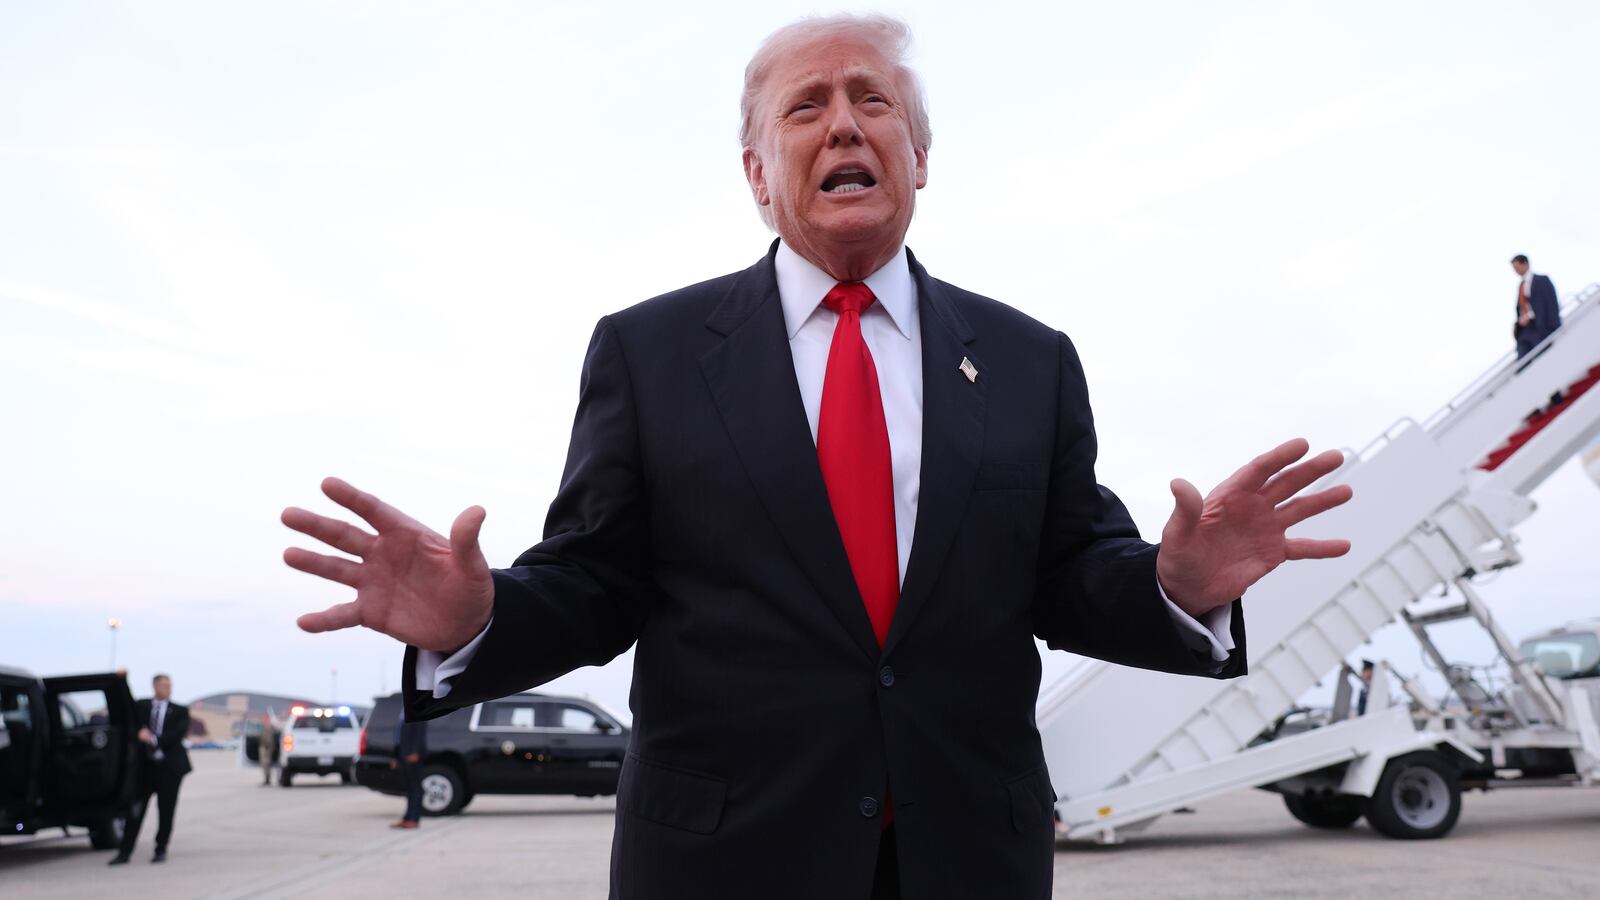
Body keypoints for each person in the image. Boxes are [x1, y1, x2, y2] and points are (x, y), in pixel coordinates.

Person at [281, 15, 1353, 898]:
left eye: (872, 100)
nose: (844, 123)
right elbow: (597, 581)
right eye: (807, 106)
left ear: (919, 157)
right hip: (721, 860)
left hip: (969, 858)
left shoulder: (1028, 359)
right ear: (757, 170)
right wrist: (479, 621)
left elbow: (1069, 571)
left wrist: (1175, 588)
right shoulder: (649, 354)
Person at [110, 673, 192, 865]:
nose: (168, 688)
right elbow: (126, 706)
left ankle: (160, 849)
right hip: (145, 769)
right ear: (155, 687)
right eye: (164, 685)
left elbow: (177, 734)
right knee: (135, 811)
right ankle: (125, 851)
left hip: (169, 769)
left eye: (170, 685)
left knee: (166, 811)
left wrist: (153, 739)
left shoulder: (180, 710)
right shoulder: (142, 706)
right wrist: (122, 680)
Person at [1512, 254, 1562, 360]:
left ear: (1525, 264)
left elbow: (1551, 304)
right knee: (1523, 359)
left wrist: (1553, 326)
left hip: (1539, 327)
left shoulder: (1542, 280)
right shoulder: (1521, 285)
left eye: (1517, 267)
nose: (1516, 271)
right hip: (1525, 330)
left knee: (1542, 357)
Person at [391, 715, 428, 829]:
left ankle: (414, 819)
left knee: (416, 788)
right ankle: (407, 818)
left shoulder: (417, 710)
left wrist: (416, 752)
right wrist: (395, 756)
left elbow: (420, 733)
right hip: (403, 755)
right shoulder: (403, 714)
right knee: (409, 788)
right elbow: (398, 737)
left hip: (413, 756)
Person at [258, 713, 278, 786]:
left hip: (267, 749)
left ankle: (267, 780)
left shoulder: (270, 728)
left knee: (267, 765)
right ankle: (266, 779)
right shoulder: (263, 728)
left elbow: (270, 740)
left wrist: (270, 748)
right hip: (264, 748)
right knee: (264, 765)